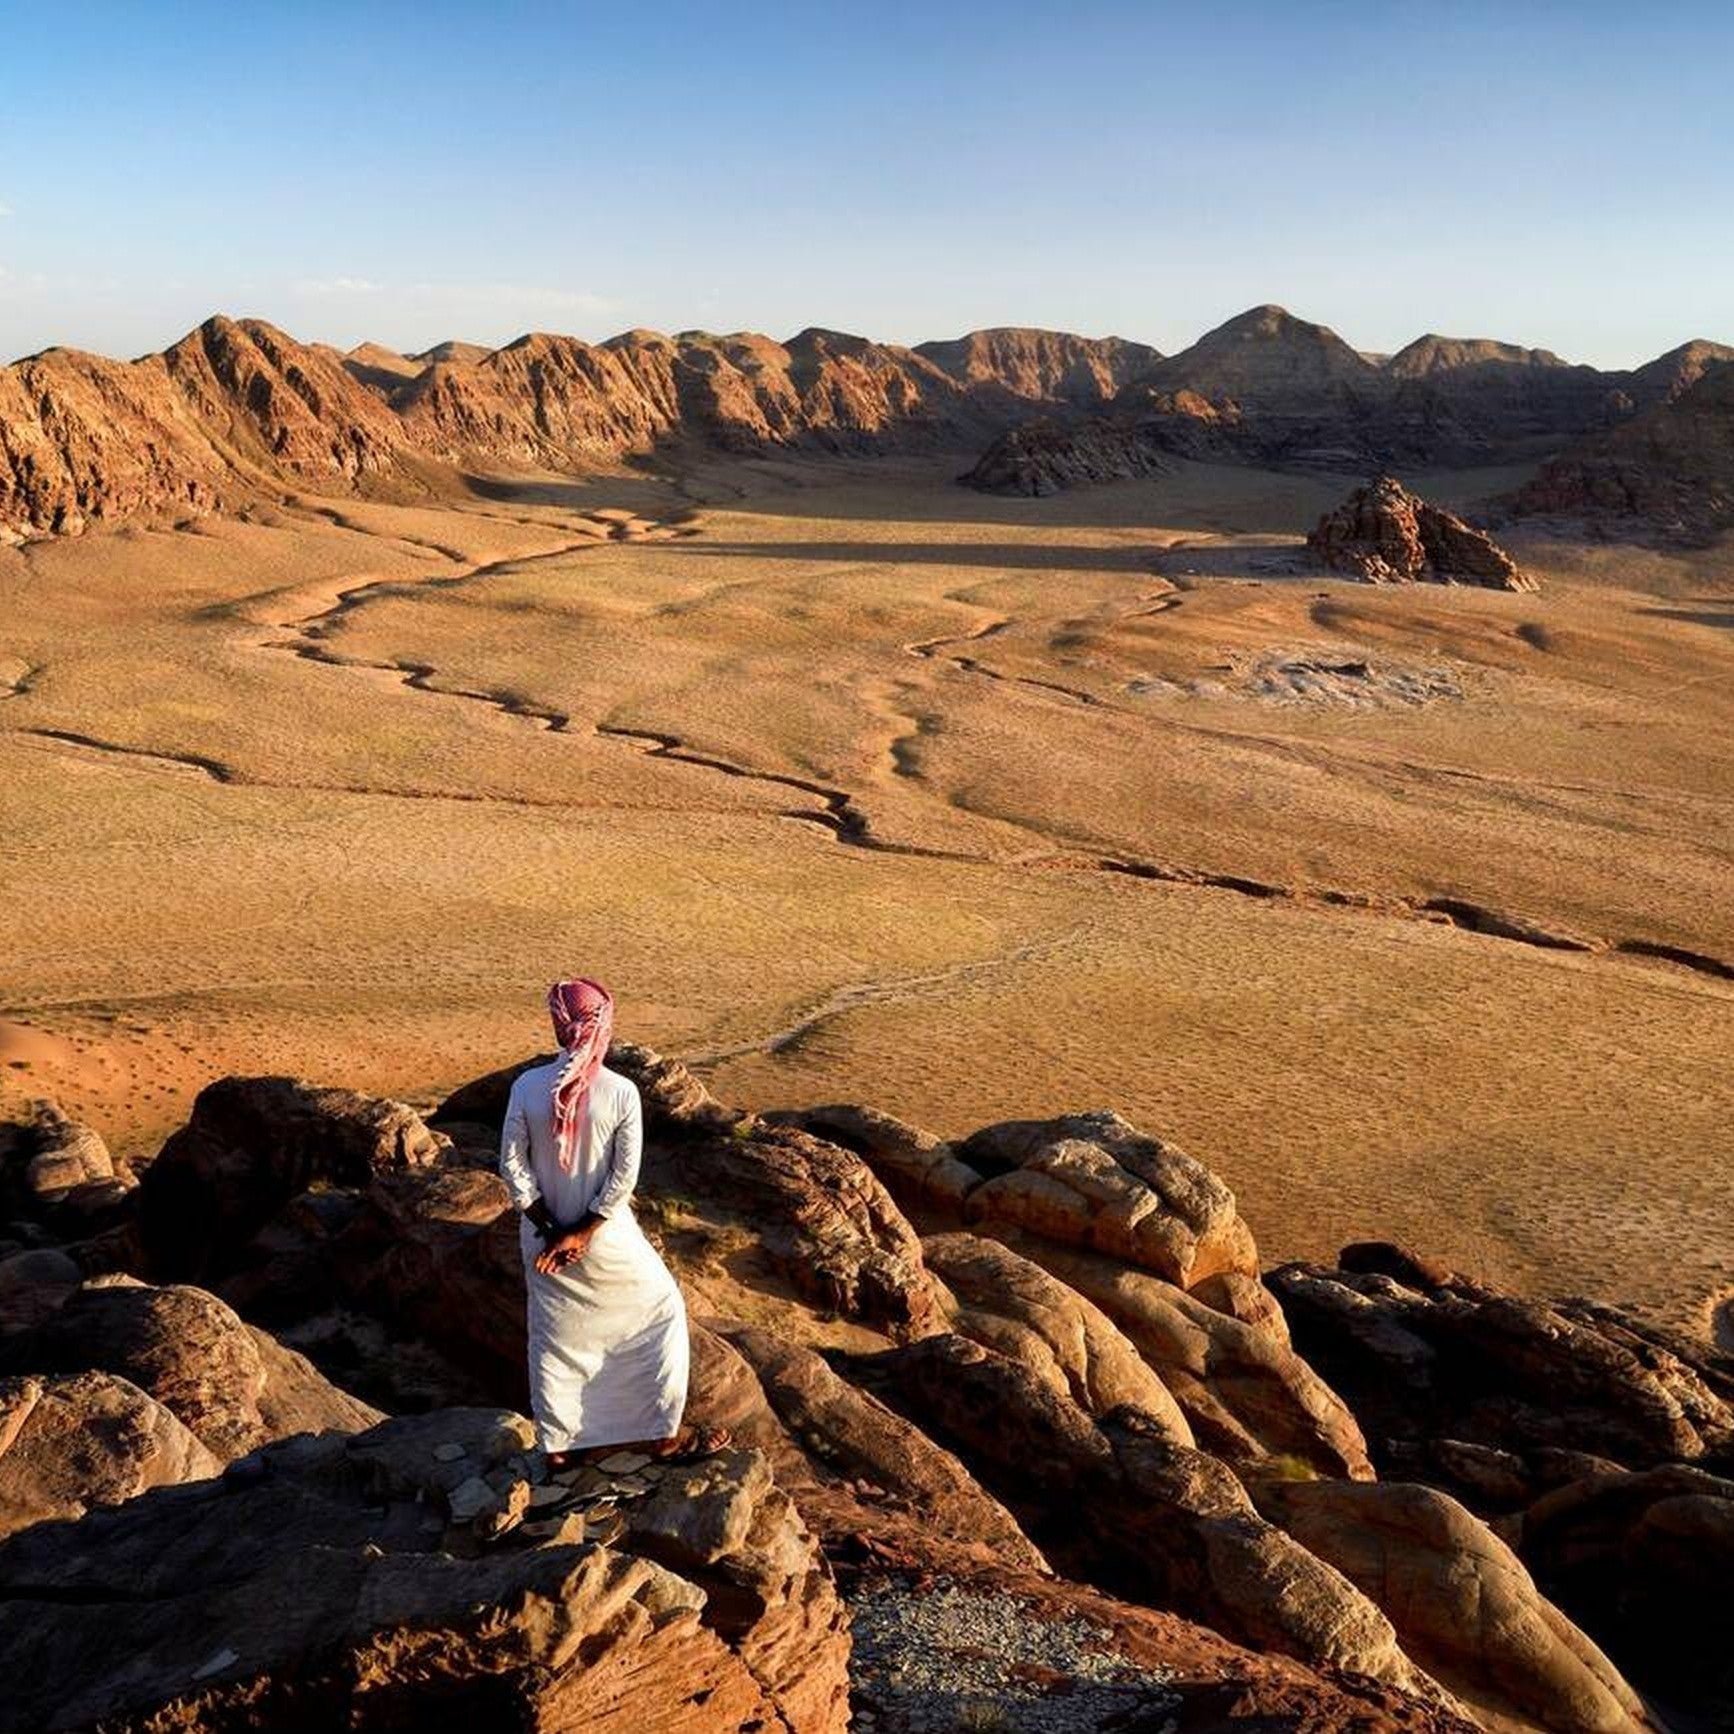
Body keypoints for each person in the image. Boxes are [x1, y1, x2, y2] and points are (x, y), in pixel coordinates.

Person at [499, 978, 728, 1470]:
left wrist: (549, 1226)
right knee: (659, 1310)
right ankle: (658, 1434)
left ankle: (560, 1446)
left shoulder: (526, 1086)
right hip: (603, 1236)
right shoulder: (621, 1091)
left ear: (561, 1024)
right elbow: (624, 1175)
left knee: (555, 1335)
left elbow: (512, 1165)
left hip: (541, 1236)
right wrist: (582, 1230)